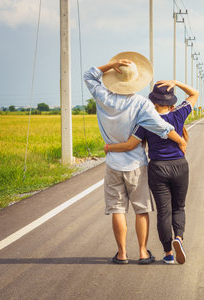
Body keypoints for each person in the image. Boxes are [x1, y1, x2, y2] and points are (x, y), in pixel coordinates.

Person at [83, 52, 187, 265]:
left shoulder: (102, 97)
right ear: (136, 80)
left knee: (118, 209)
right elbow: (161, 126)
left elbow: (89, 76)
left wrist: (111, 64)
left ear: (116, 77)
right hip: (136, 164)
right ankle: (142, 252)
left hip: (112, 162)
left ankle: (121, 254)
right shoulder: (142, 103)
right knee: (141, 210)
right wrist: (180, 141)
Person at [105, 80, 198, 264]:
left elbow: (131, 144)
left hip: (158, 168)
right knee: (179, 207)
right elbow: (194, 94)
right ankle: (178, 237)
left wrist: (110, 147)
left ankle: (168, 253)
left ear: (153, 102)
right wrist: (176, 83)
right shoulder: (178, 114)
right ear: (171, 101)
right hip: (179, 165)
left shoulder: (146, 121)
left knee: (164, 211)